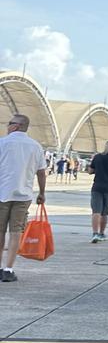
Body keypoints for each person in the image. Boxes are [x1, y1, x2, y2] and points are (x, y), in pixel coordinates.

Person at [0, 113, 47, 283]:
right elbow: (41, 172)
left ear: (17, 126)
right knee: (15, 233)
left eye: (10, 123)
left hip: (2, 194)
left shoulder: (2, 143)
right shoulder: (35, 146)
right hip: (23, 196)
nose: (7, 126)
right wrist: (42, 192)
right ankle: (8, 269)